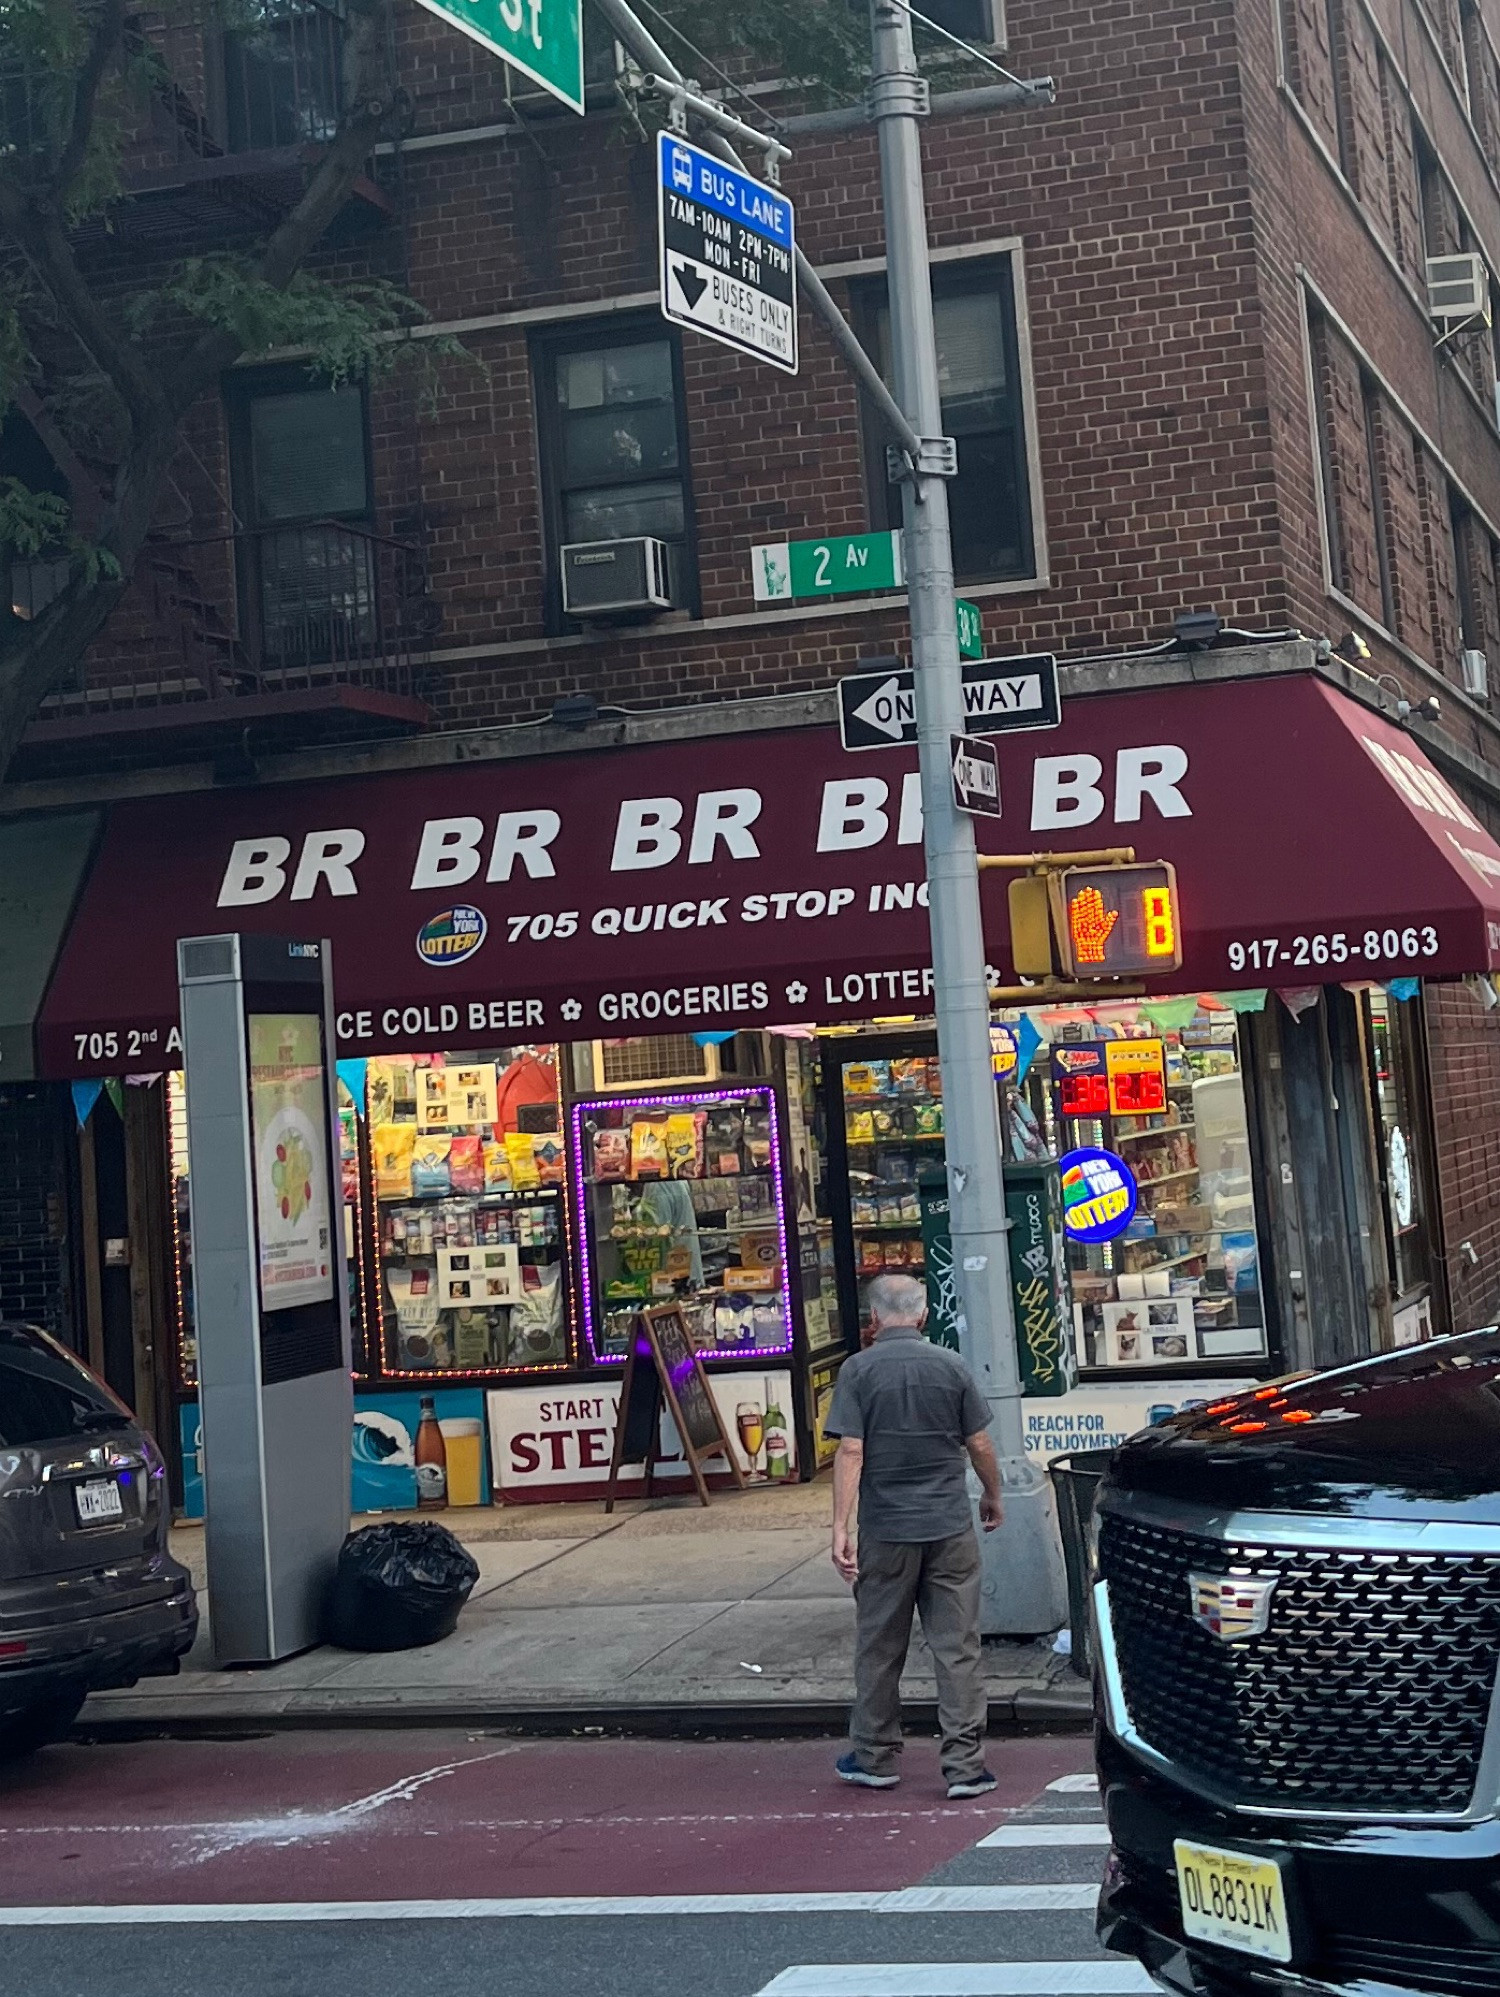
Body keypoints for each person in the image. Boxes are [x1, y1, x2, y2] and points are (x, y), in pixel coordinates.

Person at [824, 1271, 1003, 1798]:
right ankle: (966, 1766)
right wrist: (993, 1494)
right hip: (949, 1526)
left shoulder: (857, 1370)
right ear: (924, 1315)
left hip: (887, 1529)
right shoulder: (951, 1365)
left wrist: (840, 1526)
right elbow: (979, 1441)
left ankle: (876, 1756)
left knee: (879, 1646)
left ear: (873, 1319)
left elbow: (851, 1450)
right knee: (958, 1648)